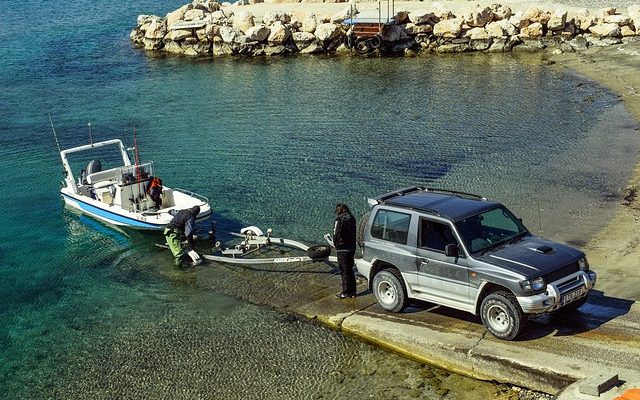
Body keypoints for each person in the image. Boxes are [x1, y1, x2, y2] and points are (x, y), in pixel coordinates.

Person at [332, 203, 357, 299]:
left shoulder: (339, 219)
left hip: (342, 248)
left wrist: (335, 244)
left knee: (343, 270)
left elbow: (336, 233)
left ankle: (345, 292)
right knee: (350, 269)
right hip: (351, 247)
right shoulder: (352, 218)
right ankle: (353, 291)